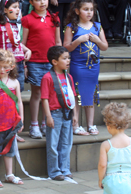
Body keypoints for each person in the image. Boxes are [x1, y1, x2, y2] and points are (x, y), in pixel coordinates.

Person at [64, 0, 108, 136]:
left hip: (93, 68)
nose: (89, 12)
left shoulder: (97, 27)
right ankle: (76, 125)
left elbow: (105, 46)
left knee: (91, 95)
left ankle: (90, 124)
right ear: (77, 11)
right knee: (77, 95)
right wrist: (78, 41)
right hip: (78, 67)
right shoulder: (71, 27)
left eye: (91, 9)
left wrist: (97, 40)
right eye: (85, 9)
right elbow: (66, 47)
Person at [21, 0, 61, 139]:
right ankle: (34, 125)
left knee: (49, 93)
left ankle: (45, 123)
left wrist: (61, 61)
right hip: (35, 62)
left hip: (52, 62)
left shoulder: (54, 18)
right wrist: (24, 64)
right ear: (31, 2)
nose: (42, 2)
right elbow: (23, 43)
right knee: (37, 93)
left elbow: (57, 42)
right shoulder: (27, 19)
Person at [0, 50, 24, 188]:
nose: (2, 69)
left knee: (10, 149)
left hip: (11, 122)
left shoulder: (15, 82)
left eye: (5, 66)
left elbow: (19, 101)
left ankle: (9, 174)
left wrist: (21, 119)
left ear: (12, 66)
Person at [41, 46, 76, 181]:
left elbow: (73, 96)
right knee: (53, 144)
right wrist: (48, 116)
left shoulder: (69, 77)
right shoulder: (48, 77)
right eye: (65, 58)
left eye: (69, 58)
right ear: (54, 61)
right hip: (54, 114)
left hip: (67, 113)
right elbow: (44, 99)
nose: (68, 61)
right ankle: (54, 171)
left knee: (66, 143)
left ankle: (65, 169)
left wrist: (75, 116)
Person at [98, 102, 131, 193]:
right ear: (126, 124)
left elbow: (102, 165)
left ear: (108, 126)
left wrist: (100, 179)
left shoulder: (106, 145)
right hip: (130, 180)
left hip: (111, 180)